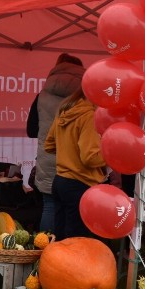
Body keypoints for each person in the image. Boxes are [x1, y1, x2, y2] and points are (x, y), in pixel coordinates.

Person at [28, 53, 85, 232]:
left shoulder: (42, 95)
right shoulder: (87, 97)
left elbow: (31, 130)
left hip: (48, 158)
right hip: (76, 163)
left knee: (50, 206)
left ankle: (45, 251)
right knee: (76, 211)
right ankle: (69, 251)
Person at [44, 86, 106, 241]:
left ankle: (55, 264)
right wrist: (110, 155)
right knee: (76, 241)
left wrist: (68, 153)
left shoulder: (65, 110)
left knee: (60, 238)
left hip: (60, 181)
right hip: (80, 184)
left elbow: (49, 145)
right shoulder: (89, 116)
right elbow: (90, 157)